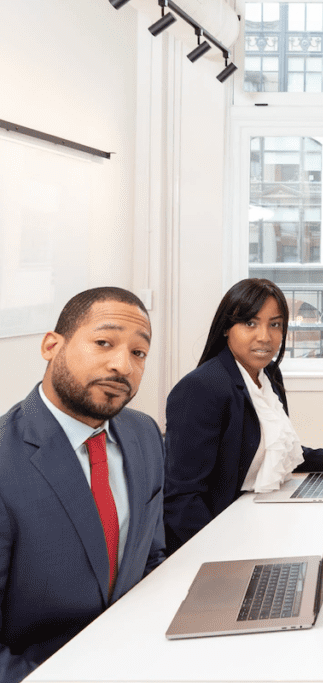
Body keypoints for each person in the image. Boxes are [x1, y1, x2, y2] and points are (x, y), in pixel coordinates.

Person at [0, 288, 165, 683]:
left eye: (138, 353)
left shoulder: (144, 434)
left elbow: (152, 559)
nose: (122, 365)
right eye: (103, 343)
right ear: (51, 346)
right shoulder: (7, 457)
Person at [163, 279, 323, 553]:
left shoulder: (269, 375)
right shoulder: (202, 388)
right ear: (227, 327)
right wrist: (216, 556)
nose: (265, 336)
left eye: (274, 324)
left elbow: (279, 452)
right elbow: (182, 499)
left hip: (256, 517)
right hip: (221, 534)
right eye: (250, 323)